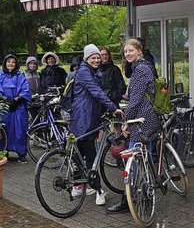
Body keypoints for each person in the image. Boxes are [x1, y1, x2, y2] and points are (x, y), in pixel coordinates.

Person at [107, 38, 161, 214]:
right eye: (125, 51)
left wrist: (126, 122)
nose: (127, 54)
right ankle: (149, 192)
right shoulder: (145, 67)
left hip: (141, 120)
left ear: (139, 51)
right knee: (146, 157)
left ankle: (128, 199)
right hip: (149, 118)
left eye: (131, 50)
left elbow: (136, 99)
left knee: (133, 160)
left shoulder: (140, 70)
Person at [69, 44, 123, 206]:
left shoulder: (92, 71)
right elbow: (97, 92)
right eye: (93, 57)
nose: (96, 60)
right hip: (84, 117)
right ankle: (98, 189)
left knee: (81, 152)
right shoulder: (85, 72)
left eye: (98, 57)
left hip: (86, 116)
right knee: (91, 154)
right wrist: (113, 108)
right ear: (86, 58)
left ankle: (78, 186)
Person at [0, 54, 32, 164]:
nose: (10, 64)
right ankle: (3, 153)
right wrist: (5, 99)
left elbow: (25, 90)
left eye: (13, 62)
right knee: (3, 130)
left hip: (18, 108)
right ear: (5, 63)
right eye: (8, 61)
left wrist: (16, 100)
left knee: (20, 131)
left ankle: (21, 154)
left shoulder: (20, 77)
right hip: (3, 108)